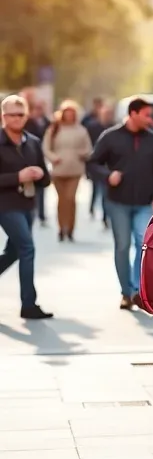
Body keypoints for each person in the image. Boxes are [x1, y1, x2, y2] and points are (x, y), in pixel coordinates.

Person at [88, 97, 153, 310]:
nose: (150, 119)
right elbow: (92, 163)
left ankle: (137, 291)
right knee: (122, 246)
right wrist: (107, 175)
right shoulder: (110, 137)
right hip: (118, 203)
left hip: (144, 203)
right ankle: (125, 292)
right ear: (133, 114)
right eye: (146, 115)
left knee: (143, 243)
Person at [0, 95, 53, 320]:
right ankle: (28, 305)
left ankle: (29, 304)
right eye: (12, 114)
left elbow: (46, 178)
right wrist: (17, 177)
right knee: (27, 248)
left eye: (21, 114)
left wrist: (40, 175)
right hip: (5, 204)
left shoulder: (33, 142)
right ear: (3, 116)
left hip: (27, 204)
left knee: (14, 251)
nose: (17, 118)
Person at [42, 100, 92, 242]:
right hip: (58, 169)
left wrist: (81, 153)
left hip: (75, 169)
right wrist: (53, 157)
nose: (69, 116)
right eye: (67, 113)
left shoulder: (81, 130)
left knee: (70, 199)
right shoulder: (54, 129)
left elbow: (88, 148)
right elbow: (46, 147)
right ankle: (61, 227)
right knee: (61, 200)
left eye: (72, 114)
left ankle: (70, 228)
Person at [82, 98, 111, 222]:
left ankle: (105, 216)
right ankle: (92, 208)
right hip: (95, 161)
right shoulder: (91, 125)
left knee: (105, 191)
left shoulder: (112, 127)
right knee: (95, 188)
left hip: (108, 164)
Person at [24, 96, 50, 227]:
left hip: (40, 157)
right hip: (26, 160)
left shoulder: (47, 122)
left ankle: (41, 214)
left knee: (40, 189)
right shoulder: (27, 123)